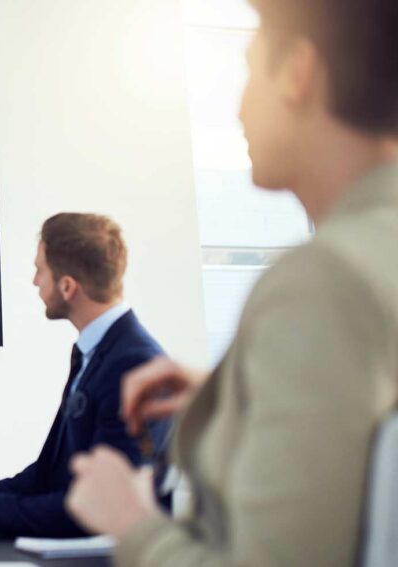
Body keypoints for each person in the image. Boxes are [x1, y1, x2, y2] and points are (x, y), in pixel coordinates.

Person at [65, 0, 398, 564]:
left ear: (297, 72)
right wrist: (241, 402)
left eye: (249, 70)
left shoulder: (322, 281)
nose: (238, 108)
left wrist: (130, 521)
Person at [0, 213, 170, 537]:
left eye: (40, 270)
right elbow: (47, 475)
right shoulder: (94, 352)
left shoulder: (133, 364)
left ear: (67, 287)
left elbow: (100, 507)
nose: (35, 281)